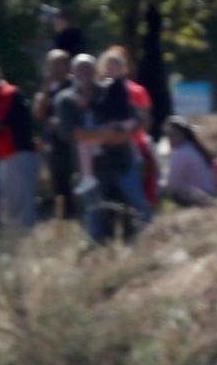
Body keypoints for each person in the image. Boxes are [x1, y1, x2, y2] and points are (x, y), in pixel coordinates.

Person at [56, 54, 152, 242]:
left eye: (88, 68)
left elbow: (135, 118)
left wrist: (122, 133)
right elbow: (69, 132)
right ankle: (99, 254)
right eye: (80, 68)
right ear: (73, 72)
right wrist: (104, 135)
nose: (85, 72)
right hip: (92, 167)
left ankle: (145, 243)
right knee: (96, 213)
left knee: (135, 204)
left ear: (95, 70)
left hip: (121, 159)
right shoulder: (66, 99)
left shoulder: (111, 90)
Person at [0, 61, 40, 230]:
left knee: (22, 203)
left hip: (19, 153)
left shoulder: (7, 93)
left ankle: (25, 243)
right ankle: (13, 242)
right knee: (9, 203)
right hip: (6, 154)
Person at [99, 48, 159, 208]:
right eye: (108, 66)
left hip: (135, 143)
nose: (111, 69)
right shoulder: (99, 90)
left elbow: (145, 120)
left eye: (115, 66)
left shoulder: (136, 90)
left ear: (123, 68)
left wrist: (128, 133)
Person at [33, 49, 76, 220]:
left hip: (74, 141)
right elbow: (38, 113)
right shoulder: (47, 88)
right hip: (54, 143)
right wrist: (45, 90)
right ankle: (66, 217)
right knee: (59, 180)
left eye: (60, 64)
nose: (56, 69)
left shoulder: (76, 84)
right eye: (52, 65)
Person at [160, 117, 217, 207]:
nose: (169, 138)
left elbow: (172, 185)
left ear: (183, 135)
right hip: (211, 192)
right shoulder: (193, 148)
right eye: (167, 135)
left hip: (200, 196)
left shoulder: (180, 153)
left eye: (172, 134)